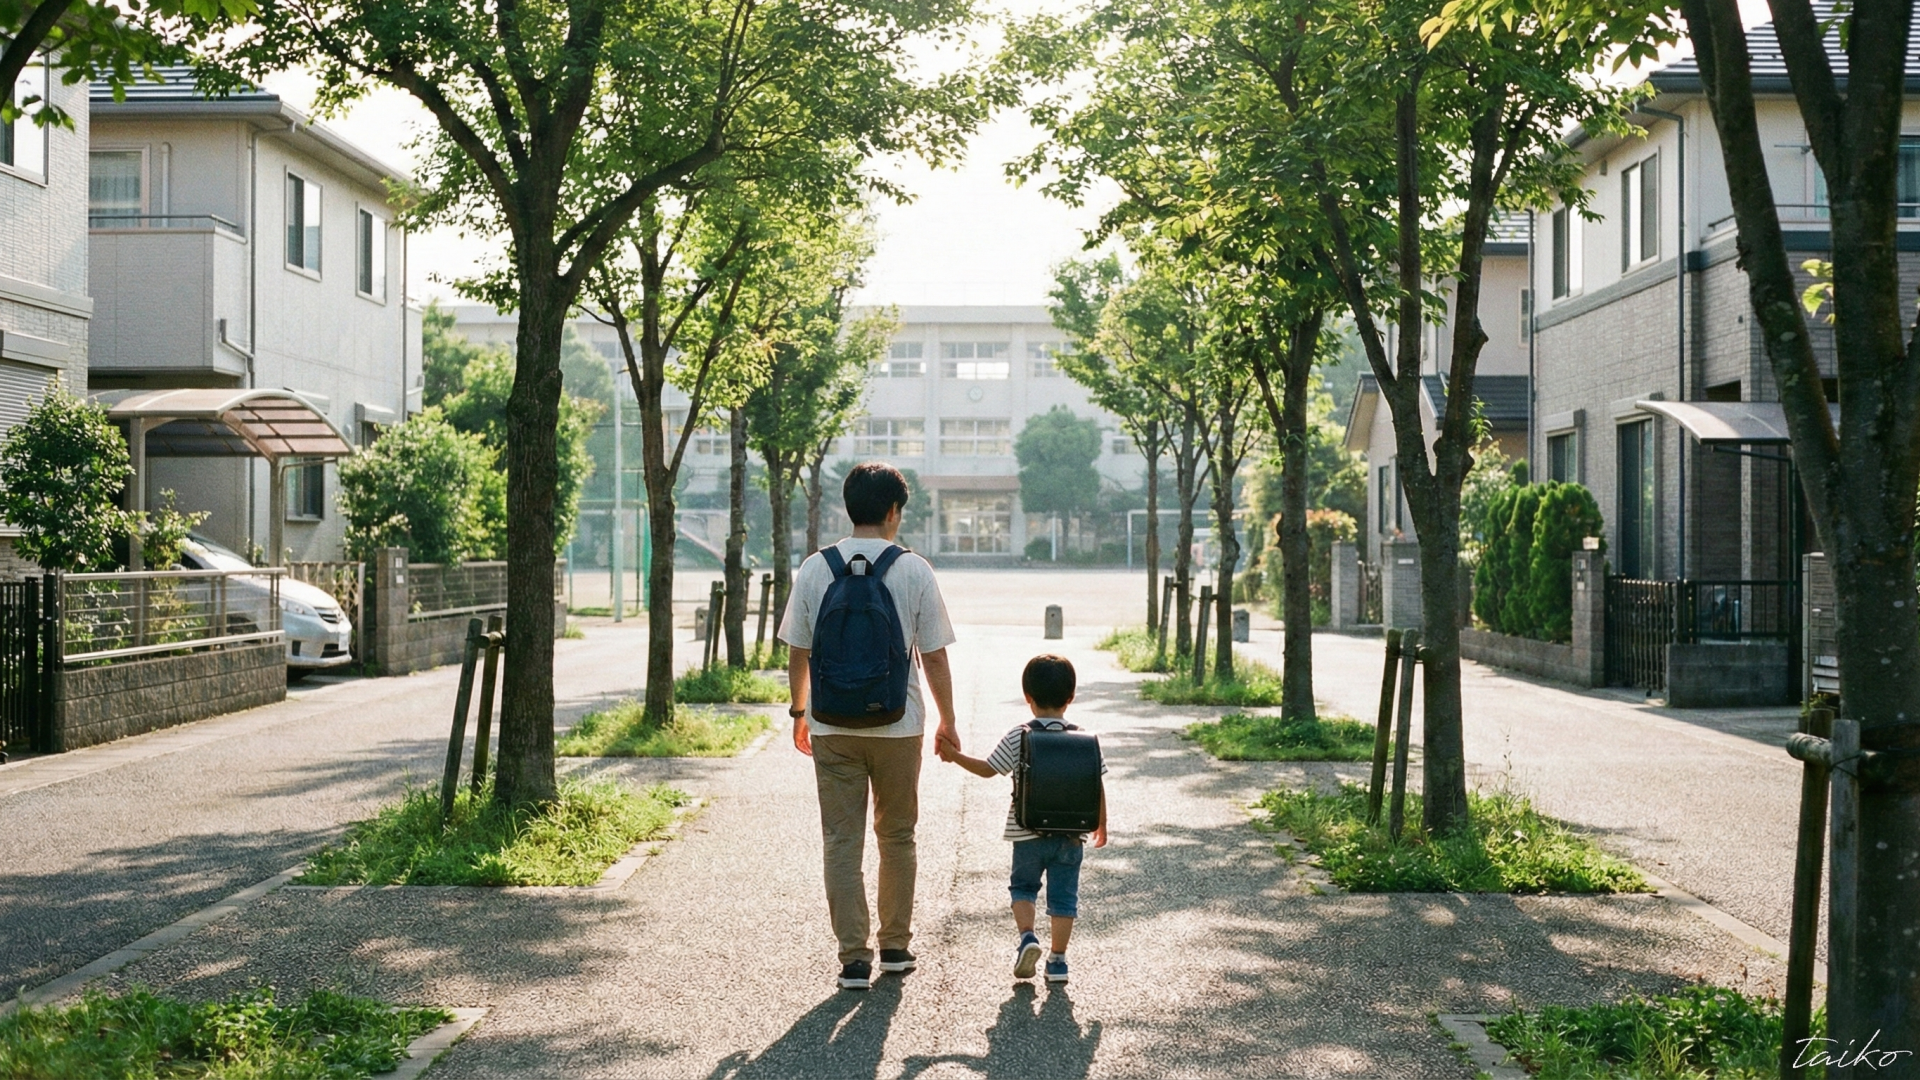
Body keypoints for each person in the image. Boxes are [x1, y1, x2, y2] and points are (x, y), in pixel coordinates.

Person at [780, 462, 960, 992]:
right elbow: (934, 657)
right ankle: (896, 946)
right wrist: (947, 721)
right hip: (898, 725)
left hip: (832, 724)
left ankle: (853, 958)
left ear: (848, 507)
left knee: (841, 839)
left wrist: (799, 712)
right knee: (897, 836)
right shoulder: (913, 570)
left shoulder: (817, 567)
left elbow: (799, 648)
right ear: (892, 512)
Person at [938, 654, 1107, 985]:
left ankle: (1028, 937)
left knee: (1024, 887)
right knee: (1064, 897)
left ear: (1028, 698)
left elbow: (988, 769)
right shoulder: (1085, 739)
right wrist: (1101, 822)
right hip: (1071, 835)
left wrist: (955, 756)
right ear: (1070, 698)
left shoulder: (1020, 735)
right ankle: (1058, 961)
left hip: (1026, 832)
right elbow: (1096, 785)